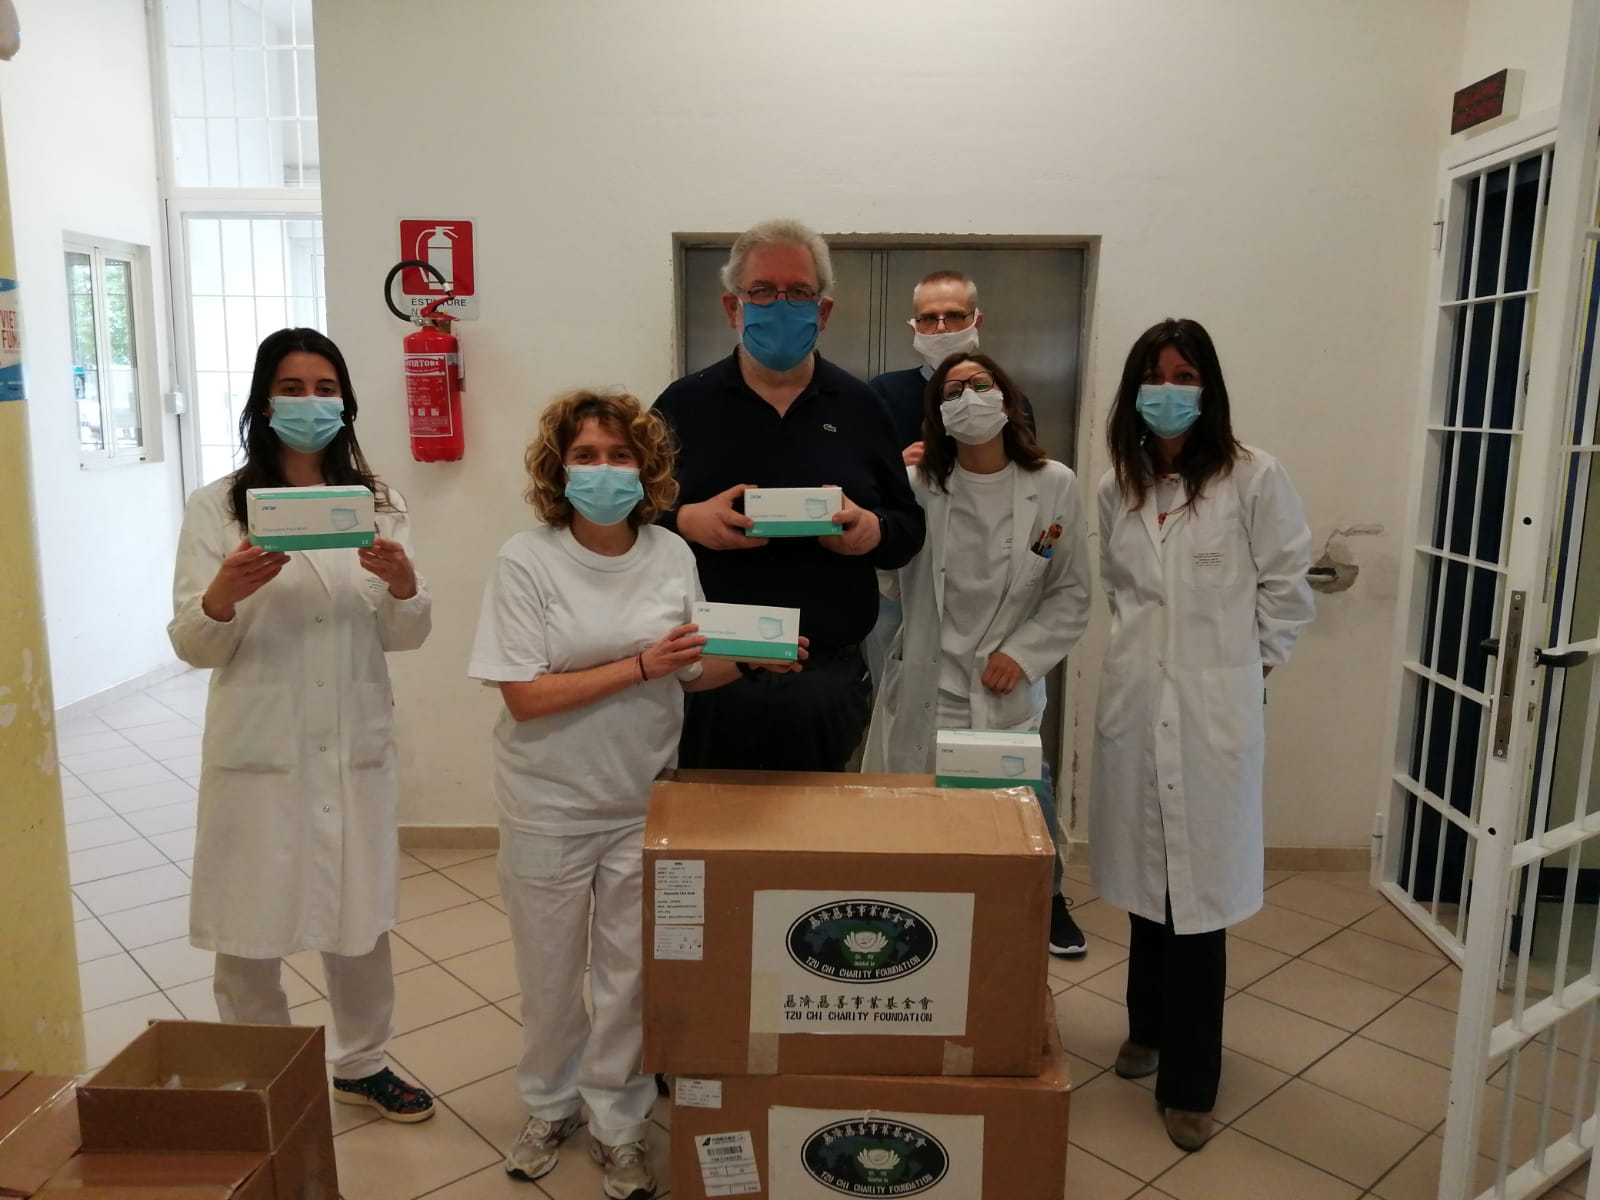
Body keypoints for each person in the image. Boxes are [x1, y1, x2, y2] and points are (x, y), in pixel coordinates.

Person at [469, 390, 806, 1198]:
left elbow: (689, 670)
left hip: (641, 801)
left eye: (620, 455)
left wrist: (751, 657)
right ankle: (549, 1104)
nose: (605, 470)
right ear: (559, 469)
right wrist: (641, 666)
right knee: (550, 976)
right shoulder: (527, 559)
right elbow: (525, 695)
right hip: (547, 804)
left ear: (646, 468)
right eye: (586, 455)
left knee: (628, 979)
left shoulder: (669, 554)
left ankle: (619, 1122)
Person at [168, 328, 434, 1122]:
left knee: (360, 922)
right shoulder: (218, 507)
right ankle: (267, 1079)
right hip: (261, 748)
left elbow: (405, 634)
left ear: (346, 402)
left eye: (325, 388)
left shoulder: (379, 504)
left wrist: (404, 583)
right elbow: (194, 643)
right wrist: (224, 593)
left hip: (352, 744)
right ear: (262, 401)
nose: (309, 403)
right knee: (247, 929)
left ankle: (363, 1063)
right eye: (291, 388)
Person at [1091, 318, 1314, 1152]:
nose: (1168, 390)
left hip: (1212, 716)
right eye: (1154, 376)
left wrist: (1245, 675)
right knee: (1149, 890)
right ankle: (1145, 1030)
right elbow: (1122, 595)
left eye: (1184, 376)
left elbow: (1287, 590)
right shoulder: (1118, 487)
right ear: (1134, 391)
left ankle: (1190, 1085)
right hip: (1136, 707)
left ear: (1208, 387)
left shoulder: (1253, 477)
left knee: (1197, 906)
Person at [653, 218, 924, 772]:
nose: (781, 305)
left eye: (799, 292)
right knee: (707, 825)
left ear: (822, 310)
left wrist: (871, 531)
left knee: (816, 828)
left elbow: (907, 528)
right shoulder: (682, 406)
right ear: (733, 306)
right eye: (762, 291)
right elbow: (626, 523)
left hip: (826, 678)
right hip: (710, 674)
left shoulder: (862, 407)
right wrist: (685, 520)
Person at [864, 352, 1092, 958]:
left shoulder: (1054, 484)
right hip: (927, 688)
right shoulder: (918, 485)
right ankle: (917, 950)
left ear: (1008, 400)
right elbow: (888, 579)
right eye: (952, 391)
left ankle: (1017, 937)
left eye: (981, 384)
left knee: (1003, 842)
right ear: (937, 413)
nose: (968, 397)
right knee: (918, 843)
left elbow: (1071, 591)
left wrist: (1022, 654)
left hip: (1001, 691)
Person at [865, 271, 1036, 690]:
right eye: (929, 318)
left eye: (955, 316)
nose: (941, 328)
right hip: (904, 580)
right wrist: (897, 468)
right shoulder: (882, 395)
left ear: (976, 320)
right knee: (898, 695)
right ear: (914, 326)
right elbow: (856, 486)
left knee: (985, 690)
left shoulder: (1009, 400)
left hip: (987, 576)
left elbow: (1027, 487)